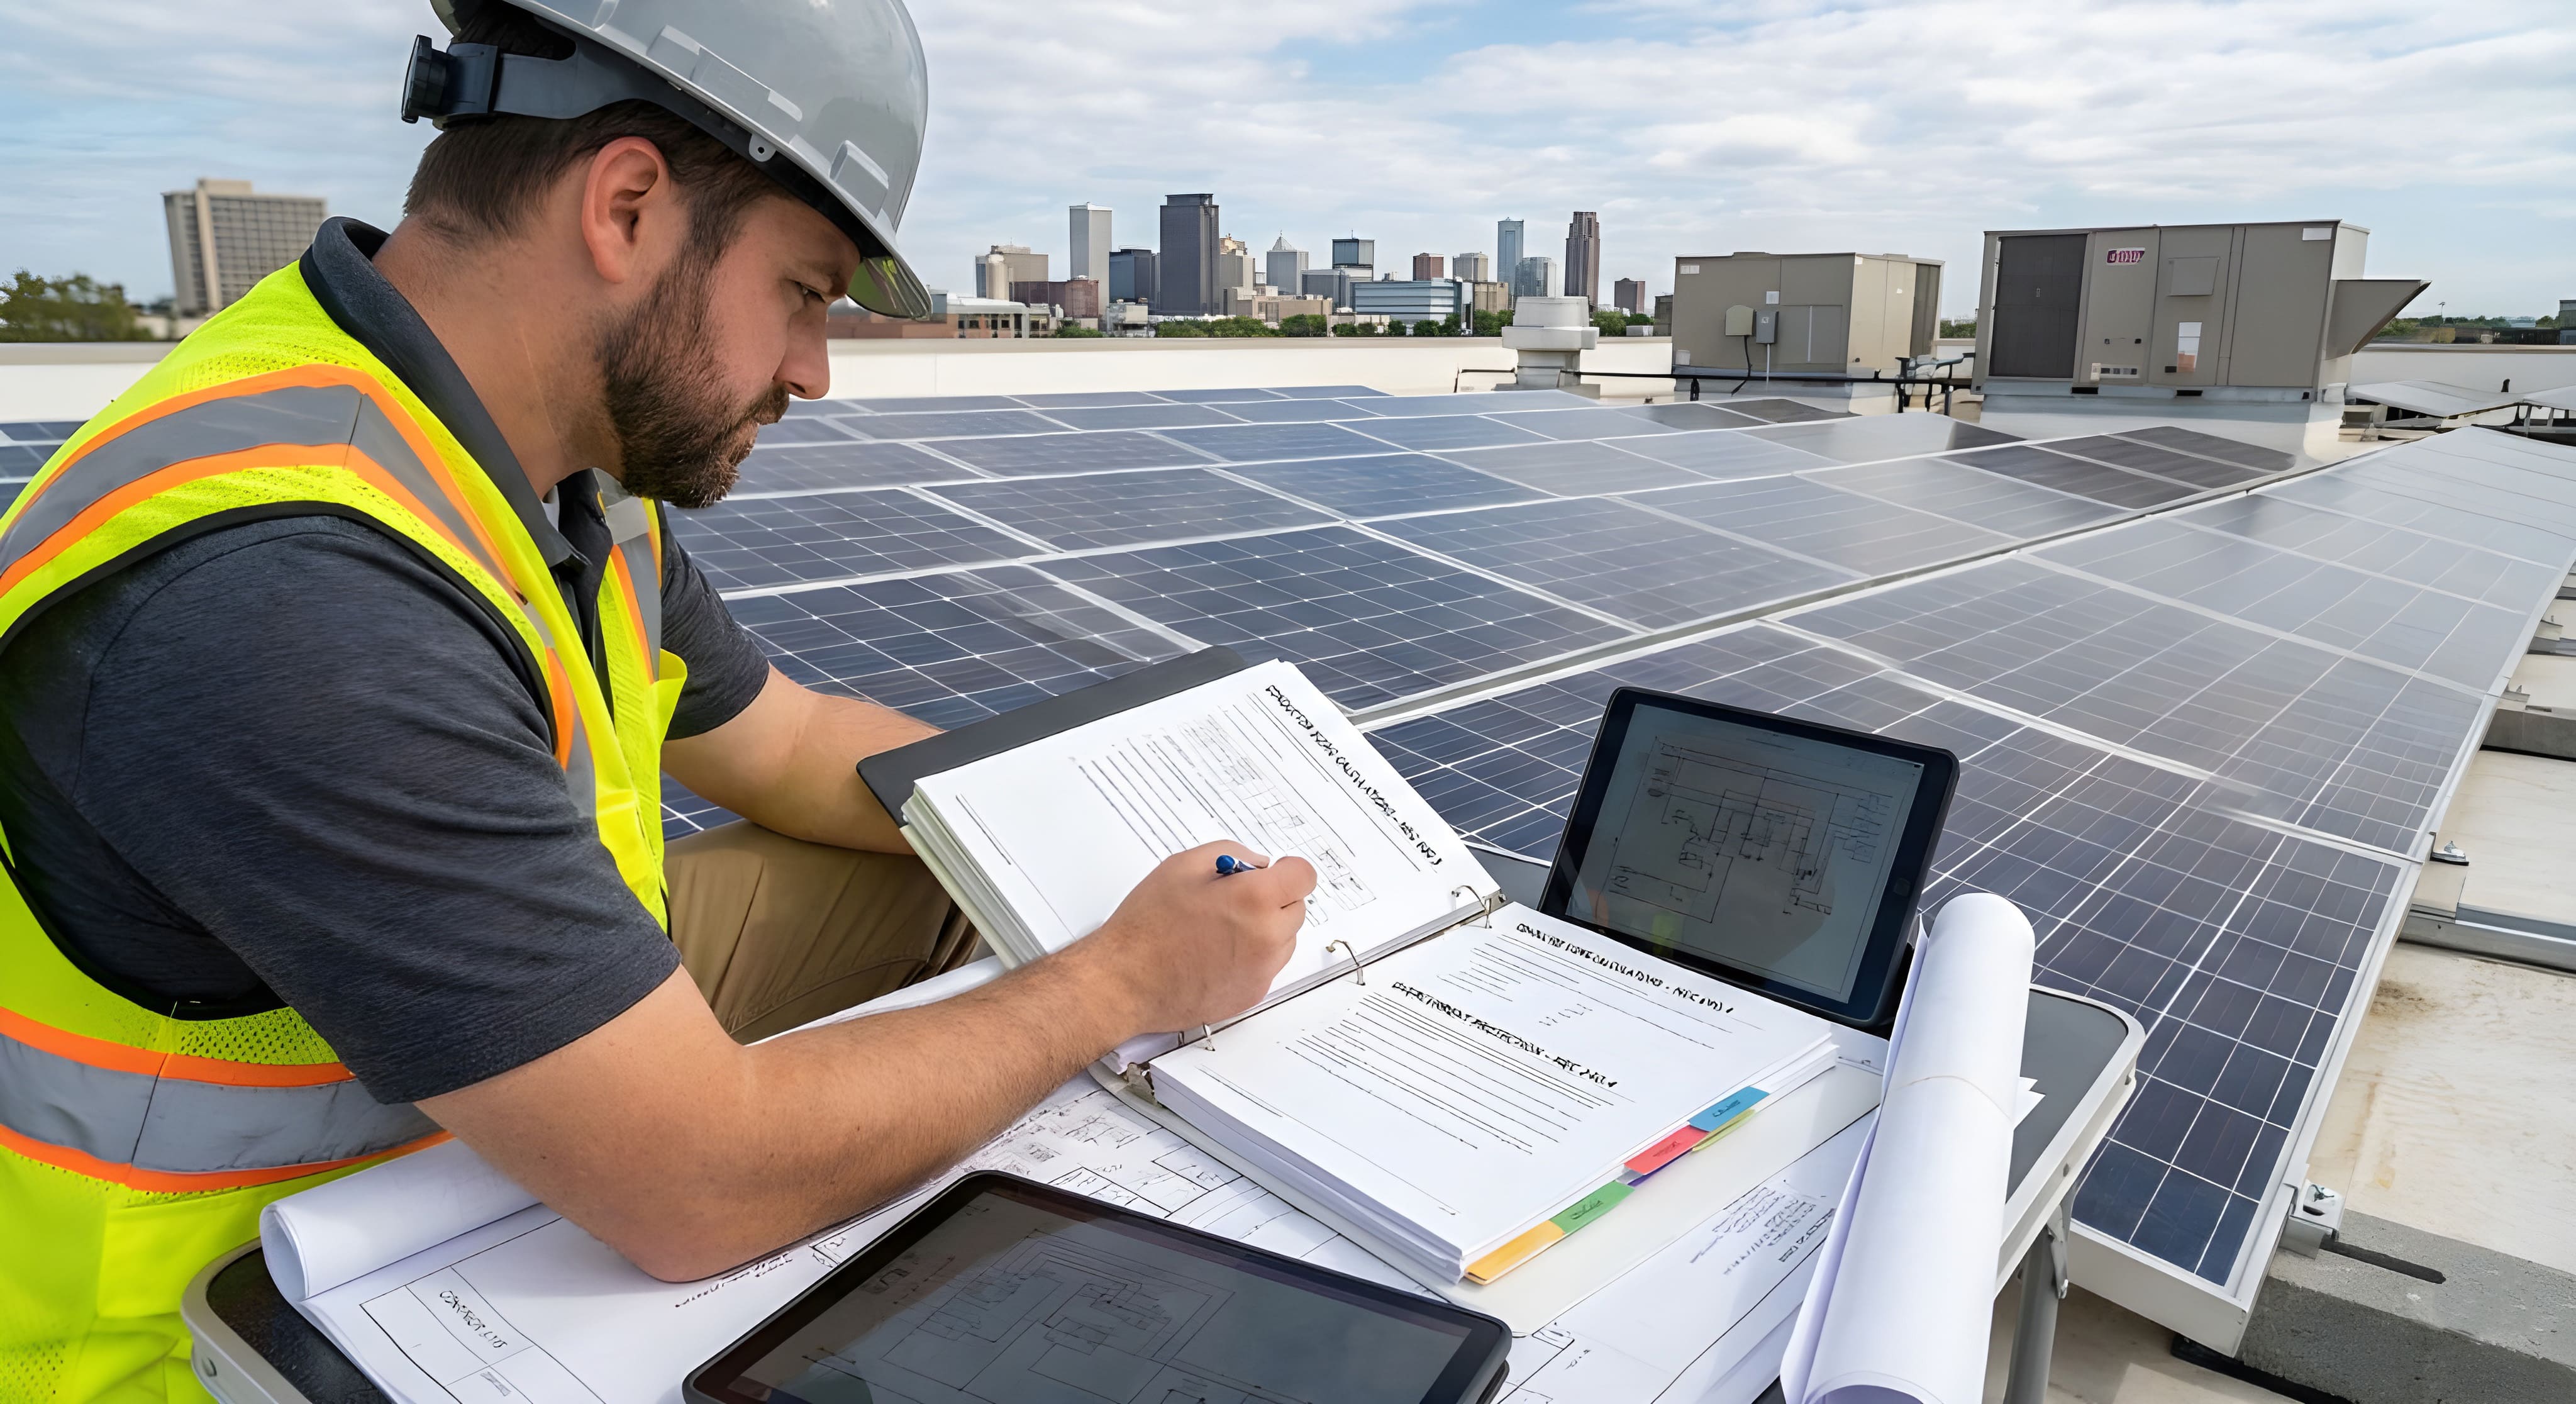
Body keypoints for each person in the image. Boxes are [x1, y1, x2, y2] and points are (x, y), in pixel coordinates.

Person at [0, 1, 1316, 1398]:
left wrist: (1112, 815)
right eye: (803, 295)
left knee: (955, 876)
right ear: (625, 206)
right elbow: (701, 1185)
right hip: (221, 1329)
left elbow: (793, 743)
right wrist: (1120, 980)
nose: (814, 370)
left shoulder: (538, 472)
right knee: (1027, 995)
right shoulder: (294, 598)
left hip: (439, 1118)